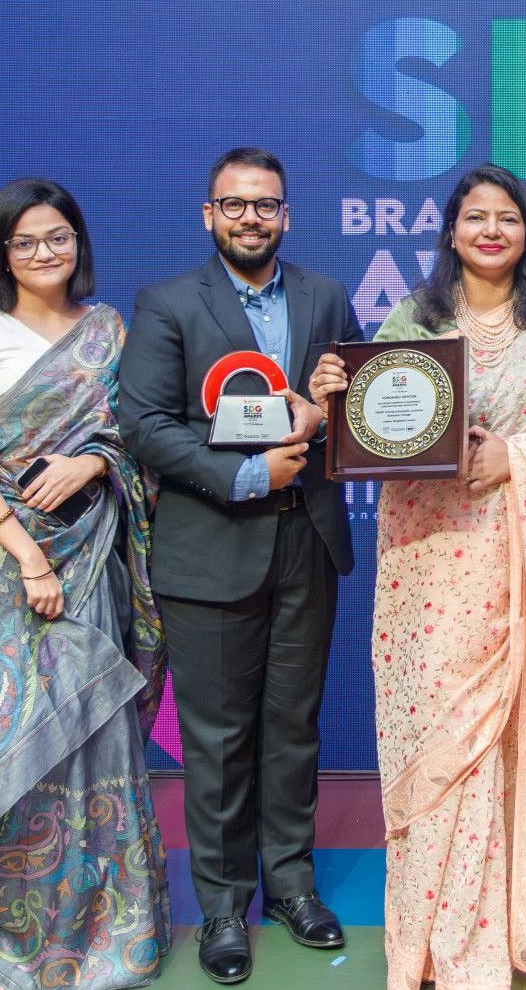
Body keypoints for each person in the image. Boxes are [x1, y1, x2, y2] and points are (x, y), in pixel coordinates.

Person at [307, 164, 526, 990]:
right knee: (442, 741)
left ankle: (525, 927)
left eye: (507, 218)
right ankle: (437, 942)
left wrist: (514, 457)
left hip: (525, 563)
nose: (491, 230)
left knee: (517, 732)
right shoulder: (414, 317)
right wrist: (335, 396)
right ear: (450, 231)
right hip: (430, 563)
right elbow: (379, 426)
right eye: (475, 217)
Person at [0, 178, 171, 990]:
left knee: (95, 736)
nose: (46, 253)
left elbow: (133, 436)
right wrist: (27, 556)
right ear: (0, 253)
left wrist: (93, 461)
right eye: (26, 242)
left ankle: (110, 937)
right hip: (0, 569)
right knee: (8, 744)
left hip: (91, 556)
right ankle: (11, 934)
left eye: (60, 237)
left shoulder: (109, 329)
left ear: (79, 243)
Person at [118, 148, 353, 985]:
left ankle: (291, 884)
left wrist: (326, 416)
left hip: (307, 545)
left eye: (267, 205)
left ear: (287, 215)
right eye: (234, 204)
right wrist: (249, 473)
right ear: (208, 215)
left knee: (294, 729)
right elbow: (145, 424)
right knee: (216, 742)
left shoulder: (326, 297)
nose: (251, 217)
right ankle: (222, 905)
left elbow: (354, 419)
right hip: (210, 546)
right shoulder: (169, 304)